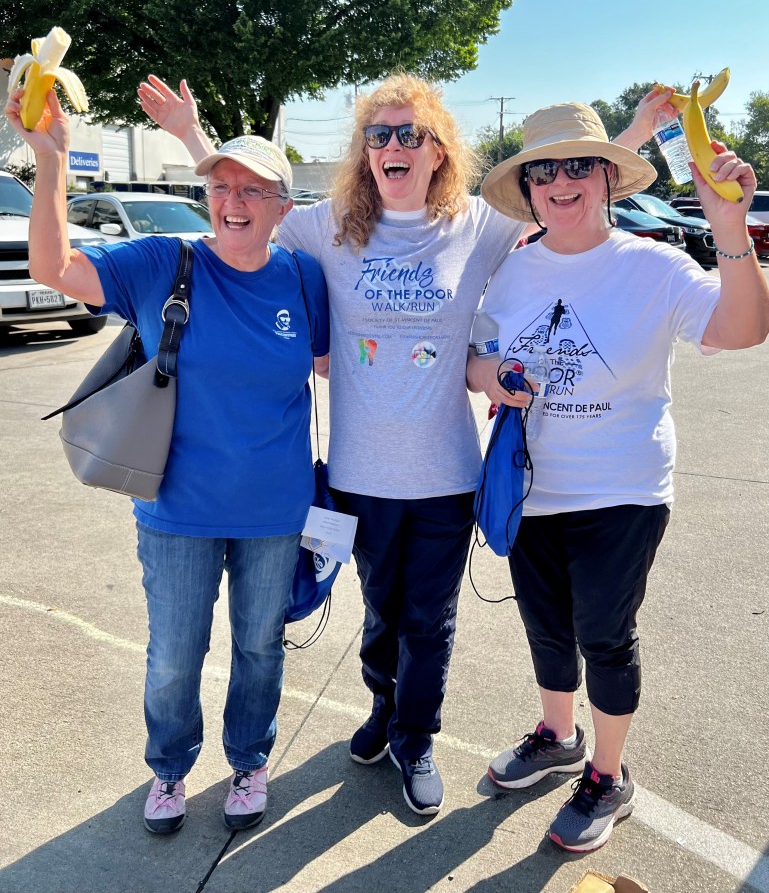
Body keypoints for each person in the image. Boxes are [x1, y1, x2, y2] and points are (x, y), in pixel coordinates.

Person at [138, 74, 671, 818]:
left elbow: (564, 185)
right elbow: (246, 205)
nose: (393, 146)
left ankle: (415, 737)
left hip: (447, 475)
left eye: (408, 134)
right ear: (364, 153)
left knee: (430, 619)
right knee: (381, 613)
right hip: (359, 473)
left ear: (436, 150)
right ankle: (383, 710)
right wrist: (192, 137)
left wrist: (632, 135)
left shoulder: (476, 226)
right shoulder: (325, 225)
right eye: (378, 135)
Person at [5, 88, 329, 835]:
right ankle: (170, 770)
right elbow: (54, 268)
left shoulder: (303, 278)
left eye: (252, 189)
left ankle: (249, 761)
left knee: (259, 648)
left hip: (275, 512)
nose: (233, 201)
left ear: (283, 207)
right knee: (176, 657)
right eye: (219, 186)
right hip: (177, 508)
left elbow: (327, 365)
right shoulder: (163, 262)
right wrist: (50, 160)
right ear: (203, 194)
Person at [467, 100, 769, 852]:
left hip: (623, 490)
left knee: (603, 633)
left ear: (606, 178)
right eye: (543, 171)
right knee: (543, 627)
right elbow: (476, 356)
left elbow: (740, 329)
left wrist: (728, 231)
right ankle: (556, 733)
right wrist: (490, 375)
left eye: (578, 166)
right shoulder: (510, 271)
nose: (561, 182)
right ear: (528, 187)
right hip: (532, 487)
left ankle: (607, 774)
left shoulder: (653, 264)